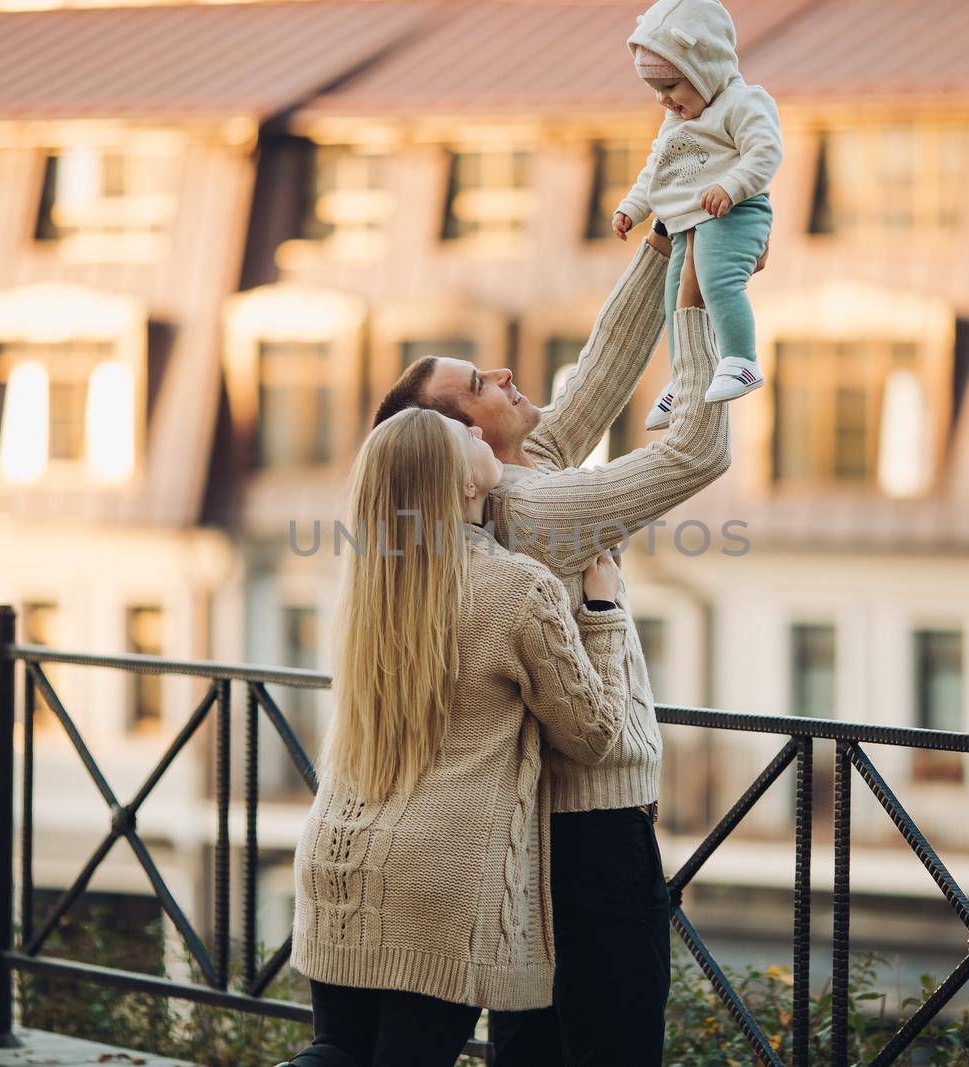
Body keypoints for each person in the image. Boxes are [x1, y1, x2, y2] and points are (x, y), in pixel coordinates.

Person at [373, 224, 743, 1064]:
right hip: (595, 827)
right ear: (464, 440)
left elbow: (605, 366)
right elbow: (696, 449)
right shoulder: (536, 509)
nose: (503, 372)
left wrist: (665, 242)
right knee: (611, 1040)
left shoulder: (506, 482)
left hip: (540, 826)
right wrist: (701, 304)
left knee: (537, 1043)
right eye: (479, 384)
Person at [284, 407, 632, 1067]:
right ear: (463, 485)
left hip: (336, 856)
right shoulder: (517, 586)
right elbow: (592, 734)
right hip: (437, 883)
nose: (479, 430)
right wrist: (604, 612)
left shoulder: (368, 584)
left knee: (334, 1052)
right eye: (463, 435)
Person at [613, 0, 782, 430]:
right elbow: (658, 170)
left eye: (670, 86)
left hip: (736, 212)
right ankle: (686, 378)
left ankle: (742, 360)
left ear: (704, 67)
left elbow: (765, 152)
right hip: (687, 223)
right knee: (676, 302)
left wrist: (730, 187)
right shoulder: (675, 123)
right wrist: (632, 208)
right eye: (655, 90)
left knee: (718, 282)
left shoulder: (743, 103)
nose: (663, 100)